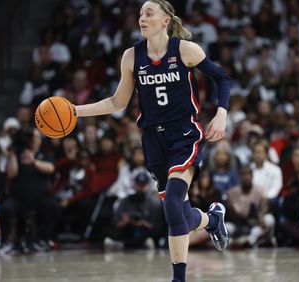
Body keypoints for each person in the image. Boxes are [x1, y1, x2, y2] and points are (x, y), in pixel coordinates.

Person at [74, 1, 230, 281]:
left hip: (184, 134)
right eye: (141, 14)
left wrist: (221, 114)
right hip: (153, 140)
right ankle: (212, 219)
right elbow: (116, 102)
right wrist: (75, 111)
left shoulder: (185, 49)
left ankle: (178, 279)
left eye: (149, 13)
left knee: (171, 203)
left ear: (166, 20)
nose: (142, 18)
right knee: (180, 212)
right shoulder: (131, 57)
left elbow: (222, 78)